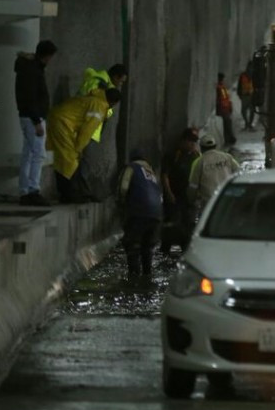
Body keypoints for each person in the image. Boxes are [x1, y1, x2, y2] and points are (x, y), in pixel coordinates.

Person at [47, 87, 122, 203]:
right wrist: (79, 148)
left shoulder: (94, 99)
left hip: (60, 120)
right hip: (62, 122)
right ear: (113, 102)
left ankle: (67, 194)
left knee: (63, 159)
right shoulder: (99, 107)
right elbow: (87, 130)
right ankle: (69, 195)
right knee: (70, 160)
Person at [15, 40, 58, 206]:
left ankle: (25, 191)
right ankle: (33, 190)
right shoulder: (33, 71)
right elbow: (31, 97)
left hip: (28, 116)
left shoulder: (28, 68)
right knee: (37, 154)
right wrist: (37, 121)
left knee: (28, 154)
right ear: (47, 55)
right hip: (34, 118)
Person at [118, 150, 163, 279]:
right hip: (156, 214)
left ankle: (133, 278)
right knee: (147, 248)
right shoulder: (151, 172)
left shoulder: (132, 167)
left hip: (139, 212)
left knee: (133, 245)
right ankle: (147, 275)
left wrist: (121, 204)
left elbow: (123, 188)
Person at [160, 128, 200, 254]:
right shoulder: (173, 155)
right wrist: (169, 193)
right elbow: (164, 175)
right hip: (174, 197)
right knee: (171, 224)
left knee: (188, 226)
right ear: (183, 141)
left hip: (188, 198)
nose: (192, 144)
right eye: (190, 141)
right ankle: (165, 250)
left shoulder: (196, 156)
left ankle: (185, 251)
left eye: (194, 142)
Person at [187, 134, 239, 221]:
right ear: (215, 146)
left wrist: (191, 201)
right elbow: (239, 174)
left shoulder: (199, 162)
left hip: (209, 203)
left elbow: (193, 187)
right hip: (227, 199)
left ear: (201, 148)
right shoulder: (227, 157)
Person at [77, 63, 127, 143]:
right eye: (121, 82)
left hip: (88, 127)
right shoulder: (101, 85)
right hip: (86, 127)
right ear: (115, 77)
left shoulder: (104, 84)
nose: (120, 85)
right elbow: (97, 107)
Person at [215, 73, 236, 146]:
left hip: (226, 108)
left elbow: (226, 98)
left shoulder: (222, 87)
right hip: (223, 109)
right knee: (227, 124)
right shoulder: (219, 88)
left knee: (228, 123)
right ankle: (229, 138)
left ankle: (229, 138)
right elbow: (220, 100)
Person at [237, 66, 255, 130]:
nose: (250, 69)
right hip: (245, 95)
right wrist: (239, 93)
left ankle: (249, 124)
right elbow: (239, 85)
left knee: (252, 110)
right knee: (243, 111)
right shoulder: (243, 75)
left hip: (251, 95)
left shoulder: (254, 75)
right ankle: (247, 123)